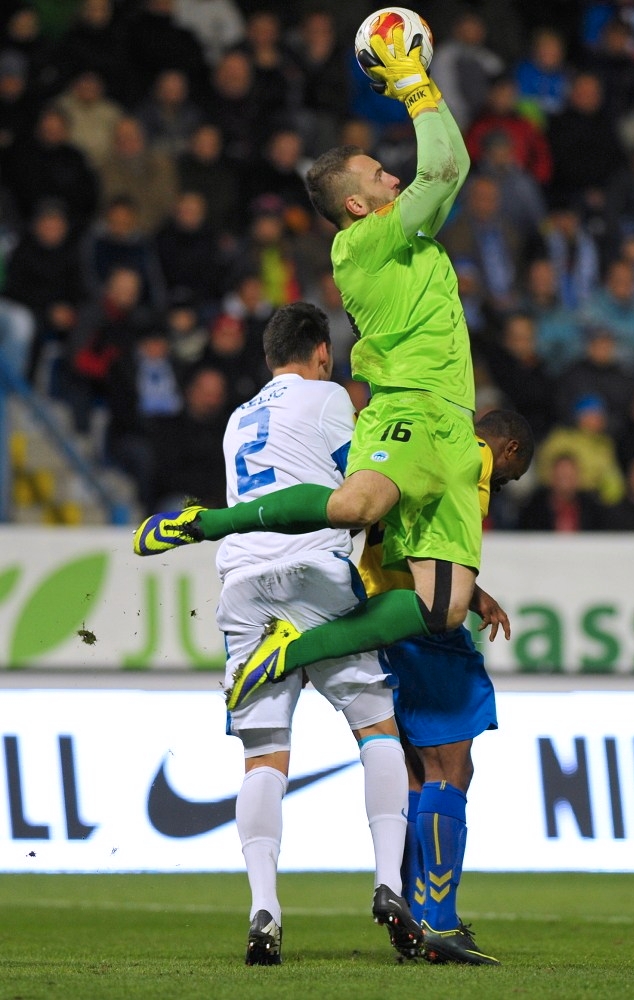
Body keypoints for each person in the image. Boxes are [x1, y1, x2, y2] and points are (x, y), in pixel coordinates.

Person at [134, 30, 497, 720]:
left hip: (454, 424)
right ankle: (207, 522)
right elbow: (445, 169)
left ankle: (288, 651)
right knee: (356, 506)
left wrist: (418, 90)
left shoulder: (408, 239)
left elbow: (447, 167)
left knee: (443, 609)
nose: (394, 178)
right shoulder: (360, 244)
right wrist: (412, 83)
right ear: (356, 206)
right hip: (407, 408)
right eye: (379, 176)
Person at [216, 302, 419, 965]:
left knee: (263, 757)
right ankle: (388, 884)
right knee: (377, 730)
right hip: (313, 574)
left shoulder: (237, 419)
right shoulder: (330, 398)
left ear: (269, 356)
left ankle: (263, 909)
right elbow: (358, 493)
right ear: (322, 353)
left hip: (243, 584)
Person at [359, 408, 534, 965]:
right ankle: (439, 920)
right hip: (422, 623)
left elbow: (403, 532)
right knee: (449, 769)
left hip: (379, 615)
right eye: (506, 478)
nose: (497, 487)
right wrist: (463, 594)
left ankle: (415, 916)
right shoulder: (471, 455)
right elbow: (432, 541)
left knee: (416, 771)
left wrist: (475, 593)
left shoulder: (405, 446)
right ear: (506, 450)